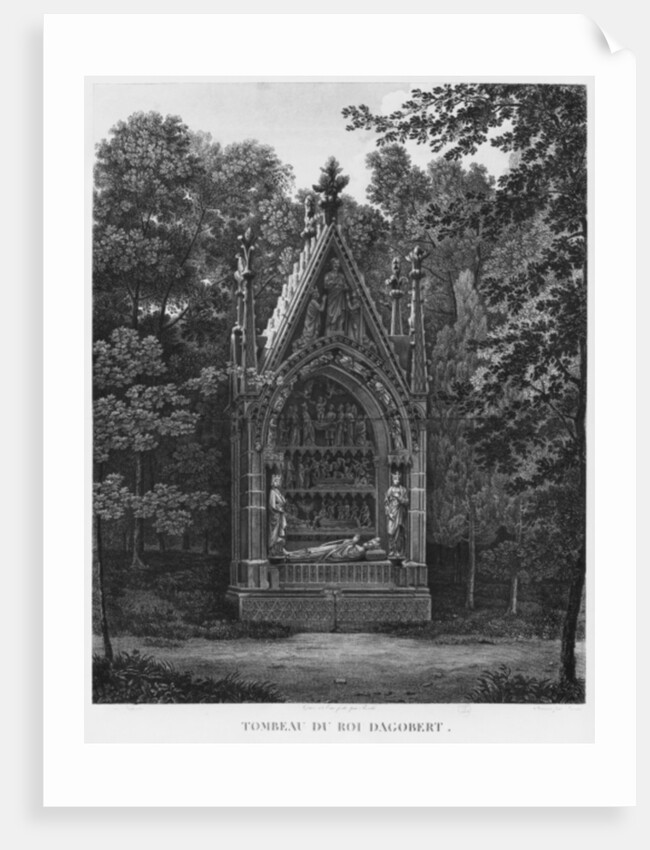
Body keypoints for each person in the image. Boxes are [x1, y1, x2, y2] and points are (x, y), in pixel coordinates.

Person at [284, 534, 381, 563]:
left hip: (331, 554)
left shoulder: (360, 552)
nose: (367, 542)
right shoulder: (359, 548)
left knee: (311, 553)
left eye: (370, 544)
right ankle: (290, 553)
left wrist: (353, 541)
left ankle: (290, 557)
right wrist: (352, 542)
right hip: (332, 549)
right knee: (311, 549)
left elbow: (344, 555)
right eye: (369, 541)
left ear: (371, 549)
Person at [385, 471, 408, 559]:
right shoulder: (390, 490)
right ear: (392, 479)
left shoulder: (403, 490)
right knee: (390, 532)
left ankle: (398, 551)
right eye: (395, 479)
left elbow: (406, 502)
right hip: (392, 514)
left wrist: (399, 498)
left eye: (398, 479)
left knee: (398, 533)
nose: (397, 480)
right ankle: (391, 550)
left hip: (399, 514)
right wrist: (389, 513)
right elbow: (386, 503)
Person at [323, 257, 349, 333]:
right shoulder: (328, 275)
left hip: (340, 298)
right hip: (332, 298)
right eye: (335, 264)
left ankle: (339, 328)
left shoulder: (341, 276)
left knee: (341, 314)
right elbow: (325, 286)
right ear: (331, 265)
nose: (336, 265)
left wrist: (345, 287)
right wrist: (334, 283)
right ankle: (330, 329)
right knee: (331, 314)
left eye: (338, 264)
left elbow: (345, 286)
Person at [268, 475, 287, 556]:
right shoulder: (272, 492)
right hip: (275, 516)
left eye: (279, 481)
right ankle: (273, 549)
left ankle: (278, 549)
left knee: (279, 533)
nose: (279, 482)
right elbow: (272, 505)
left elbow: (283, 502)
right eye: (278, 481)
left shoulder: (277, 491)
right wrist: (279, 509)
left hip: (279, 515)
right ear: (274, 482)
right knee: (274, 533)